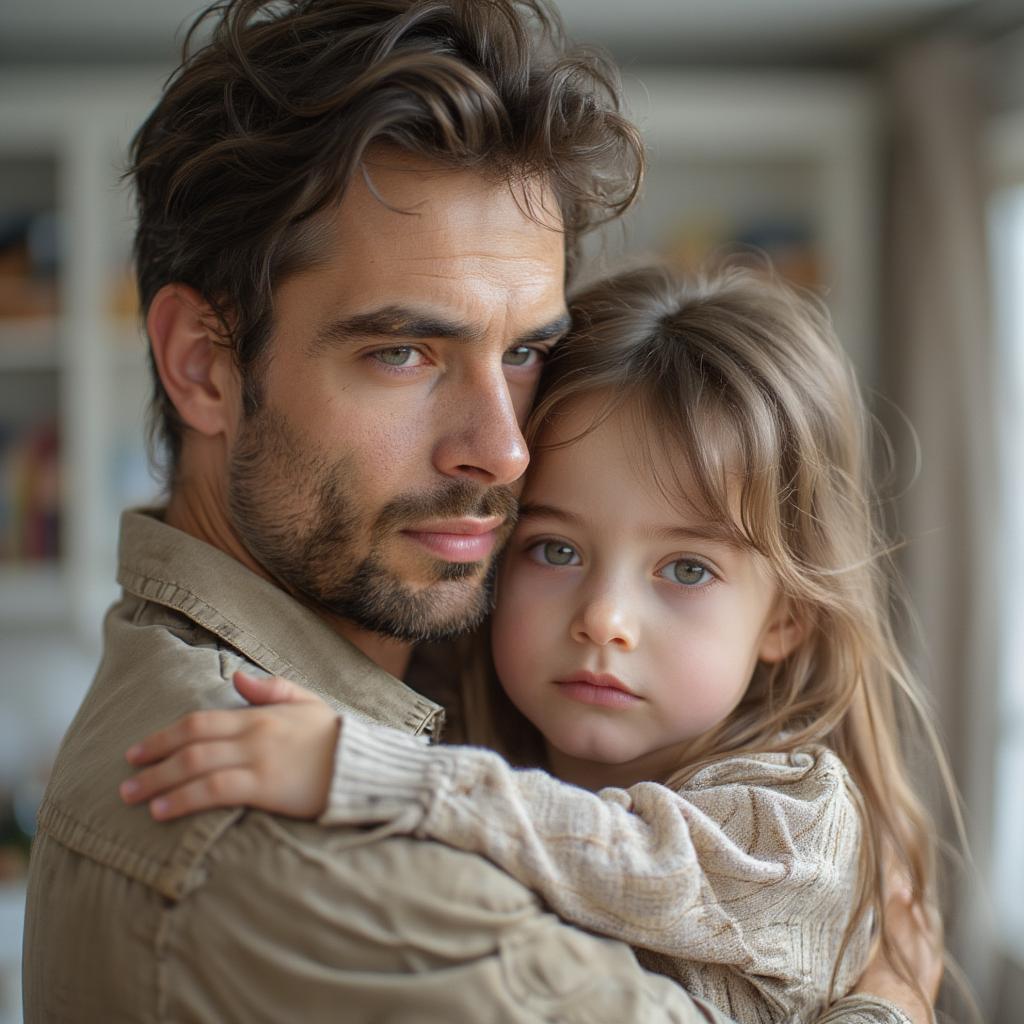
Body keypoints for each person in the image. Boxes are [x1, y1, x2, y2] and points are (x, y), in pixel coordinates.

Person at [23, 0, 934, 1020]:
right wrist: (891, 1000)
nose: (503, 449)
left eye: (523, 353)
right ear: (204, 364)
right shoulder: (302, 851)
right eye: (402, 353)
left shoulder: (440, 691)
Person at [120, 265, 948, 1024]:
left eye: (686, 569)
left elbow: (639, 860)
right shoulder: (476, 740)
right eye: (556, 550)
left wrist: (363, 772)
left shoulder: (800, 823)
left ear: (785, 618)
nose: (604, 619)